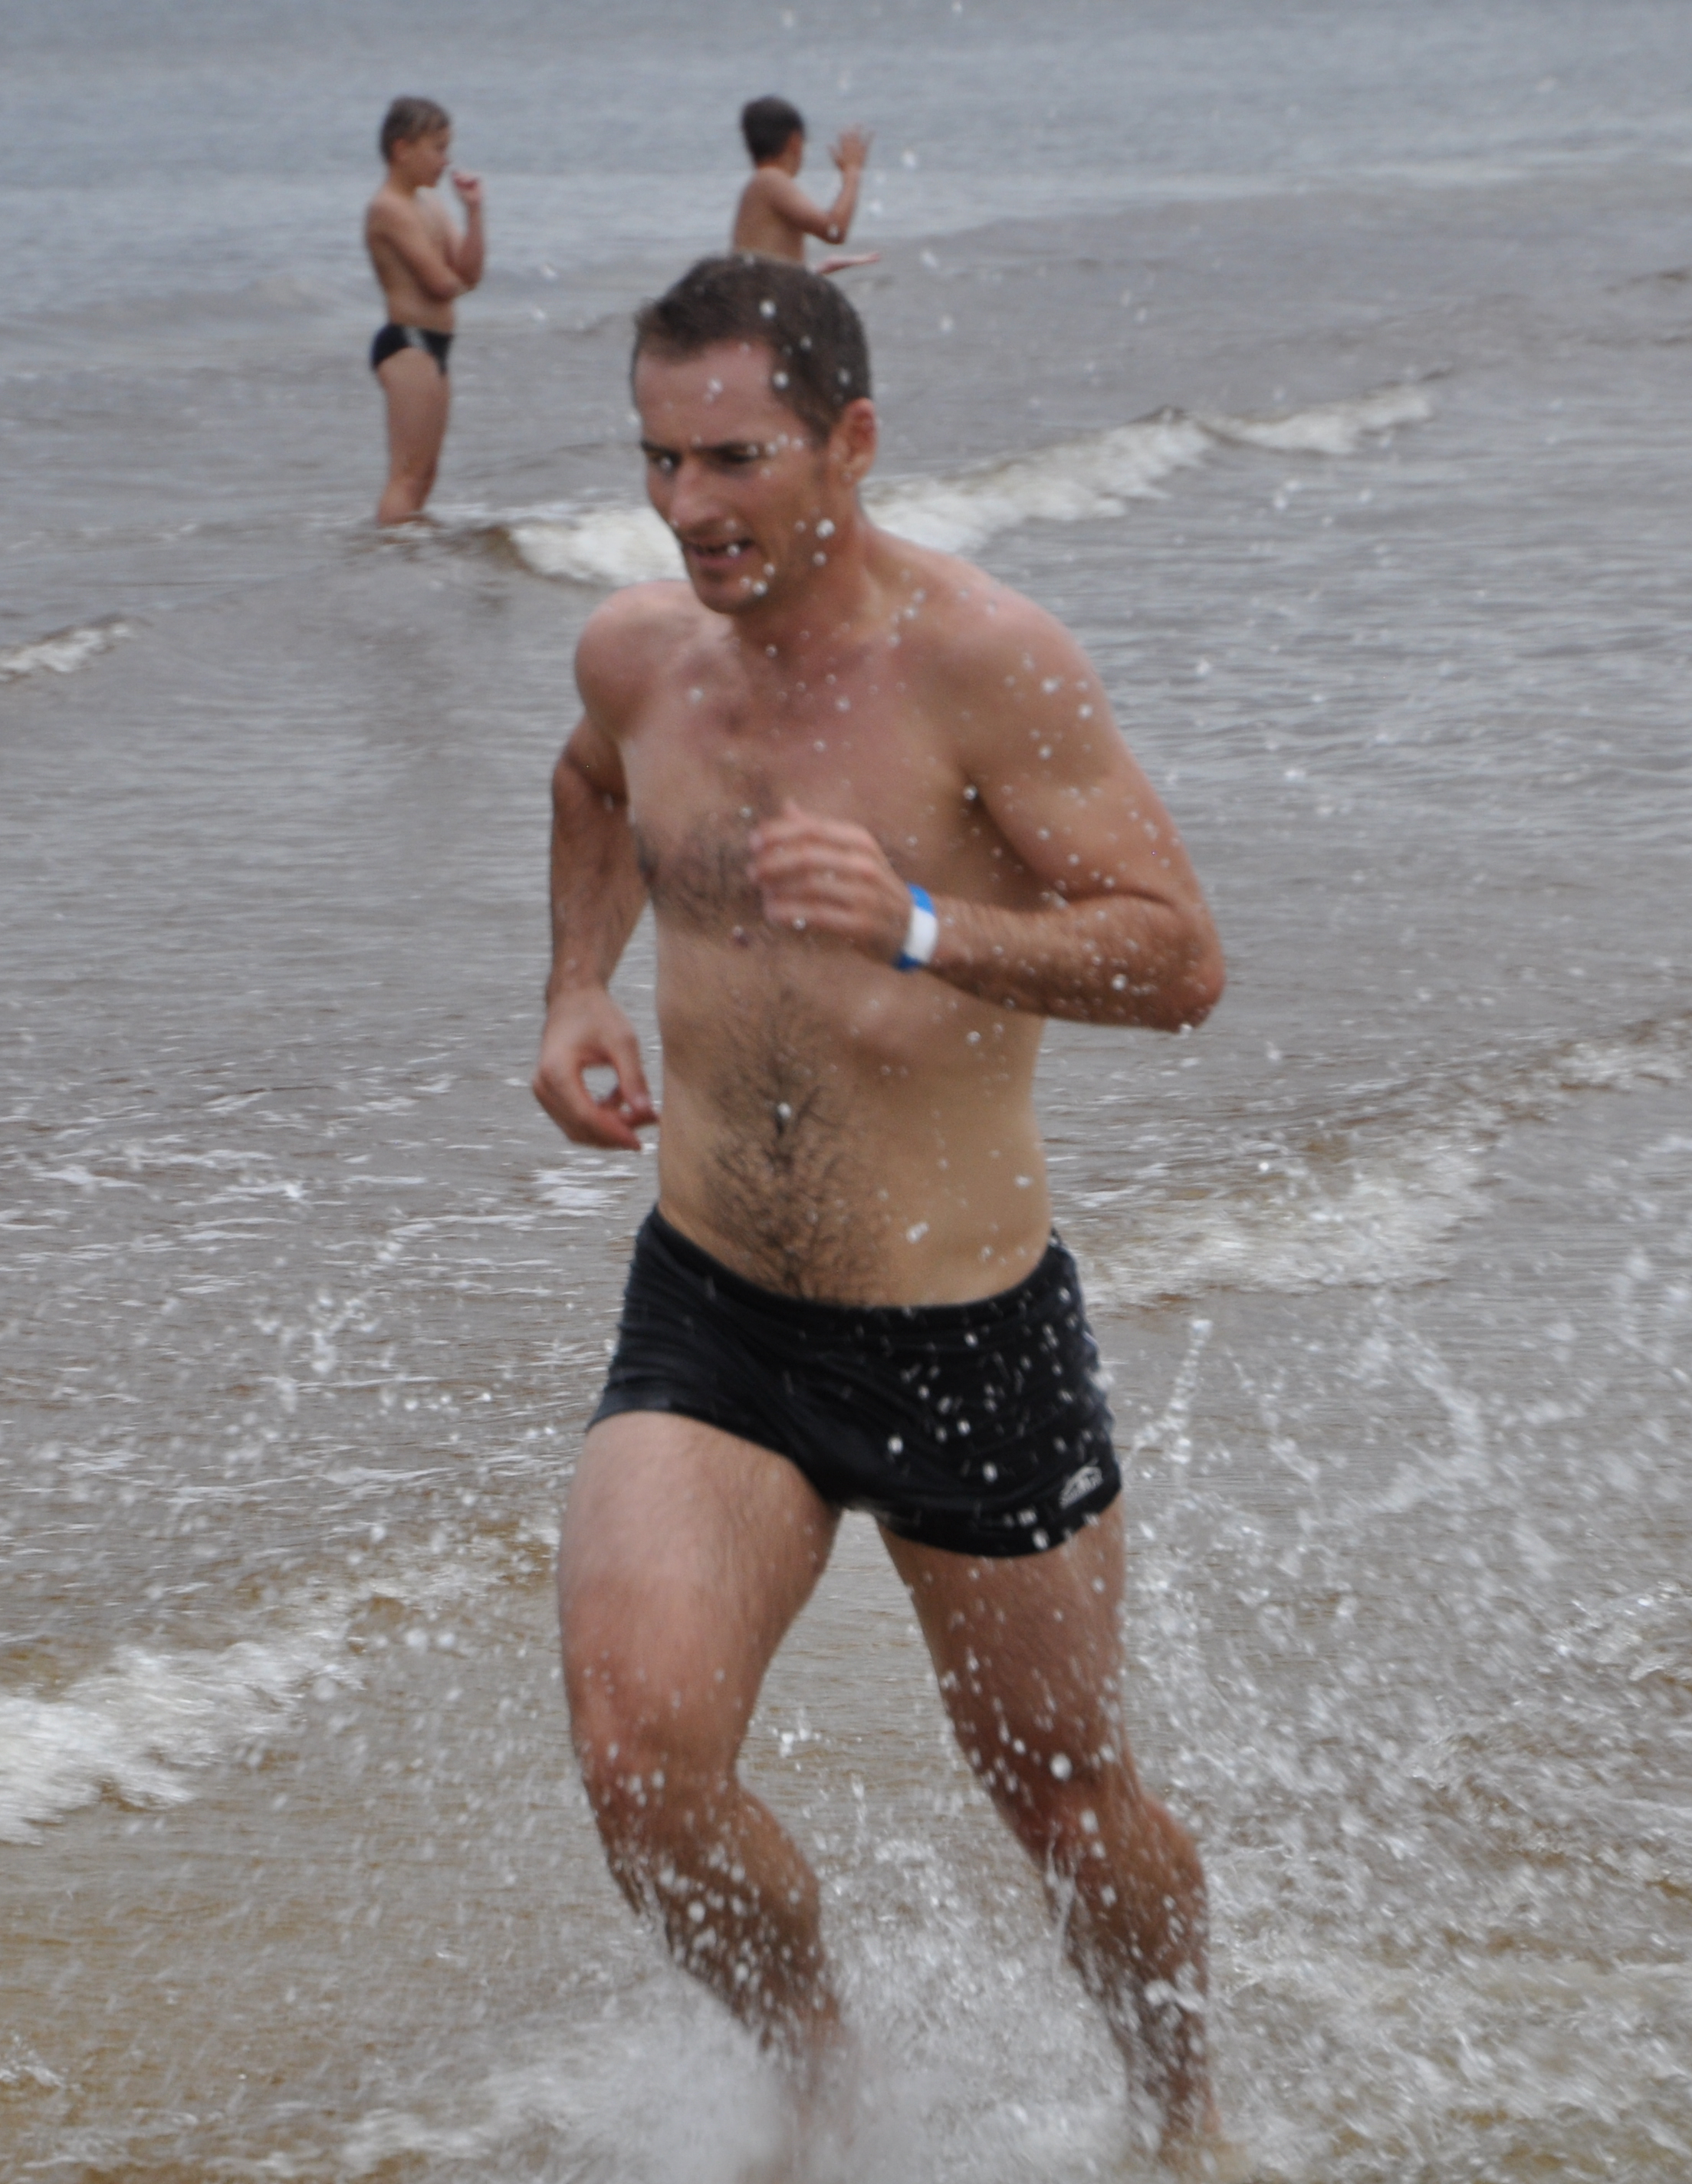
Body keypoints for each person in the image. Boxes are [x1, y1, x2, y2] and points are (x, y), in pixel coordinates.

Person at [531, 253, 1229, 2166]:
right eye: (658, 460)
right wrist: (574, 986)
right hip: (714, 1308)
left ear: (847, 440)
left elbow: (1175, 956)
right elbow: (590, 787)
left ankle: (1177, 2114)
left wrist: (922, 921)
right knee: (639, 1764)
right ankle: (817, 2078)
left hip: (961, 1329)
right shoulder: (636, 657)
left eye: (732, 458)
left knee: (1061, 1793)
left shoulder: (982, 661)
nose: (686, 507)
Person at [363, 95, 485, 526]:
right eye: (437, 149)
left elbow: (469, 273)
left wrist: (474, 211)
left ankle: (408, 551)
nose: (445, 160)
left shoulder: (430, 203)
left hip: (437, 345)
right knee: (407, 474)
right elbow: (441, 284)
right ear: (402, 149)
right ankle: (389, 552)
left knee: (426, 473)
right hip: (407, 344)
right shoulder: (388, 208)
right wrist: (457, 281)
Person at [731, 95, 877, 274]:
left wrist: (819, 269)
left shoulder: (757, 187)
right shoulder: (771, 180)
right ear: (795, 142)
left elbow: (768, 265)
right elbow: (834, 230)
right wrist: (852, 172)